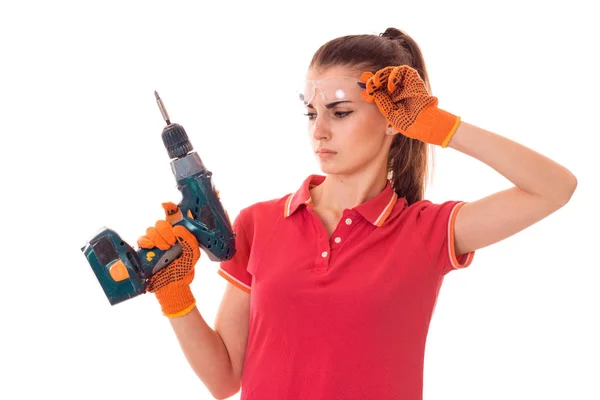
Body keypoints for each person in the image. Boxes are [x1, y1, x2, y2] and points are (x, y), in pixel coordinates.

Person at [136, 27, 577, 399]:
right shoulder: (260, 223)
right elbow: (223, 378)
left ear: (393, 120)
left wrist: (439, 127)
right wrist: (174, 294)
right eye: (311, 113)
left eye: (340, 112)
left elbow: (554, 188)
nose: (319, 130)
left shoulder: (426, 232)